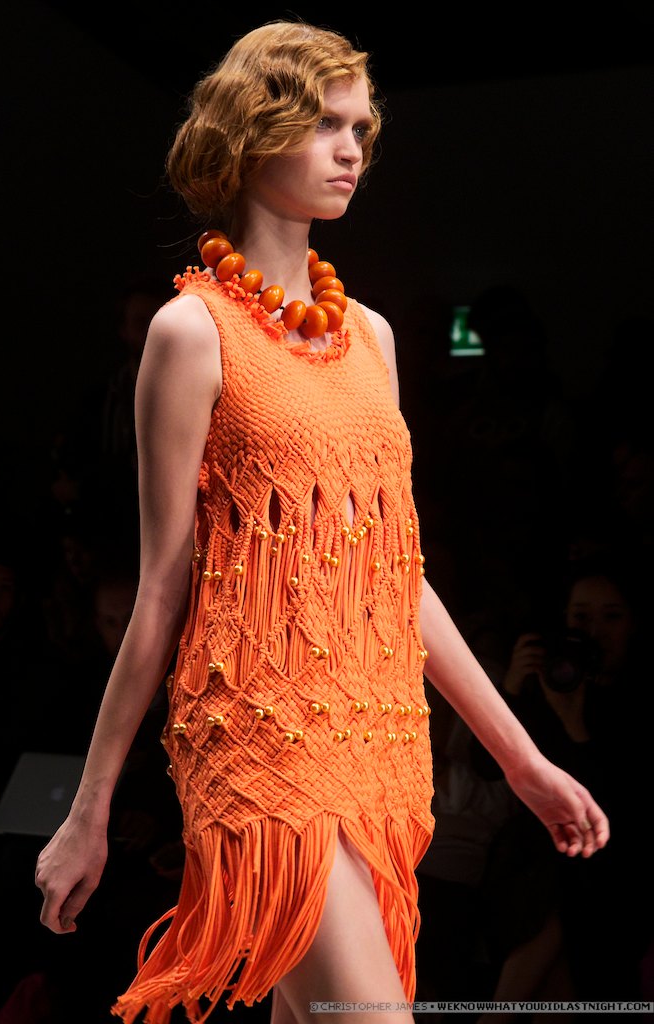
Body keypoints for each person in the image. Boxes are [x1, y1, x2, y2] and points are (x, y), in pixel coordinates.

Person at [34, 21, 609, 1024]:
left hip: (378, 737)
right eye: (326, 125)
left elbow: (397, 576)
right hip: (259, 739)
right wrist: (89, 810)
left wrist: (522, 762)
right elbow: (163, 586)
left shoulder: (369, 336)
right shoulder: (190, 332)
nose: (353, 150)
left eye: (360, 129)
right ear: (252, 135)